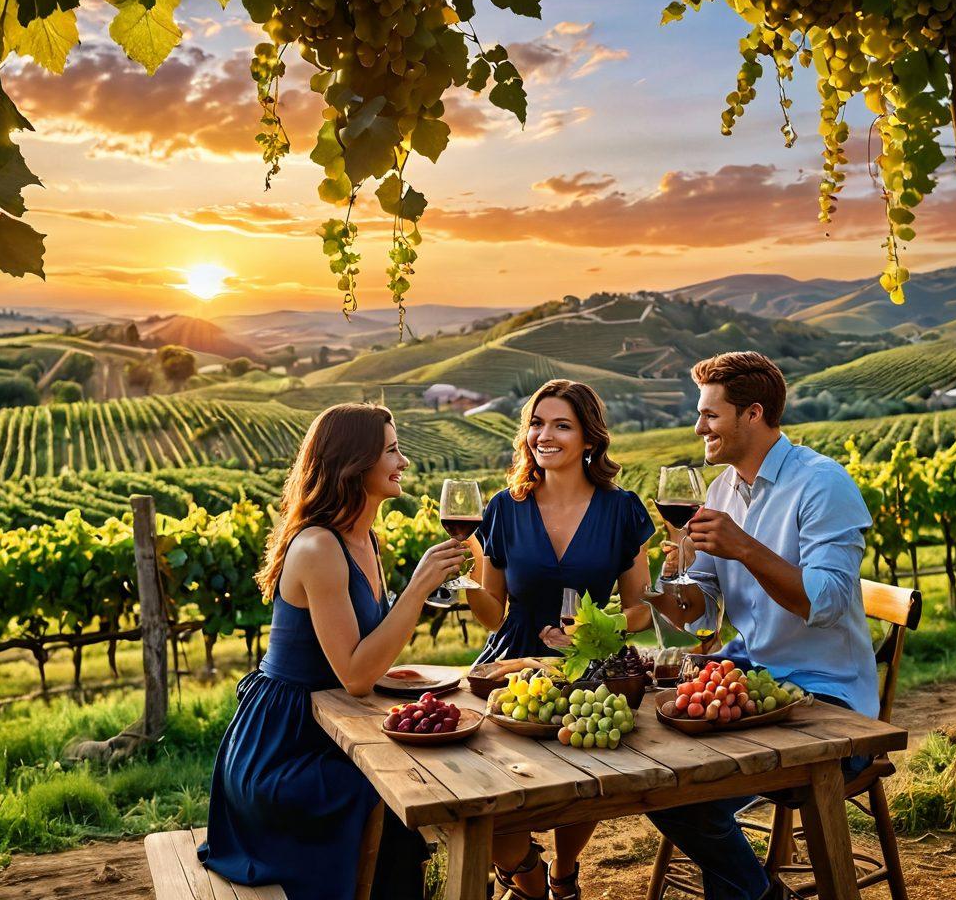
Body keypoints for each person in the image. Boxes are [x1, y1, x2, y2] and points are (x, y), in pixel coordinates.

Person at [199, 404, 469, 900]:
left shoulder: (365, 537)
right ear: (354, 463)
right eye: (391, 451)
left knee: (426, 775)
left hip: (329, 727)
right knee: (391, 790)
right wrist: (418, 589)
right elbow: (355, 675)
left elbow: (369, 655)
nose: (404, 461)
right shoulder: (319, 547)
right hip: (283, 746)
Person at [647, 351, 878, 900]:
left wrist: (743, 547)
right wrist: (667, 583)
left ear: (753, 414)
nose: (698, 426)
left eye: (710, 414)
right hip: (752, 679)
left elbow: (825, 601)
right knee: (659, 777)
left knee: (690, 797)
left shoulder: (823, 483)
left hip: (830, 699)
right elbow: (699, 613)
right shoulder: (722, 489)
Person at [465, 379, 655, 900]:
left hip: (593, 665)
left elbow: (640, 609)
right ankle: (524, 873)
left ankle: (565, 872)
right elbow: (490, 613)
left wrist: (597, 631)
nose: (543, 435)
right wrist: (461, 586)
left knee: (585, 781)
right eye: (537, 423)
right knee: (491, 792)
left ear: (589, 439)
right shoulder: (504, 508)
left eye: (561, 425)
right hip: (515, 666)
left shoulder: (622, 510)